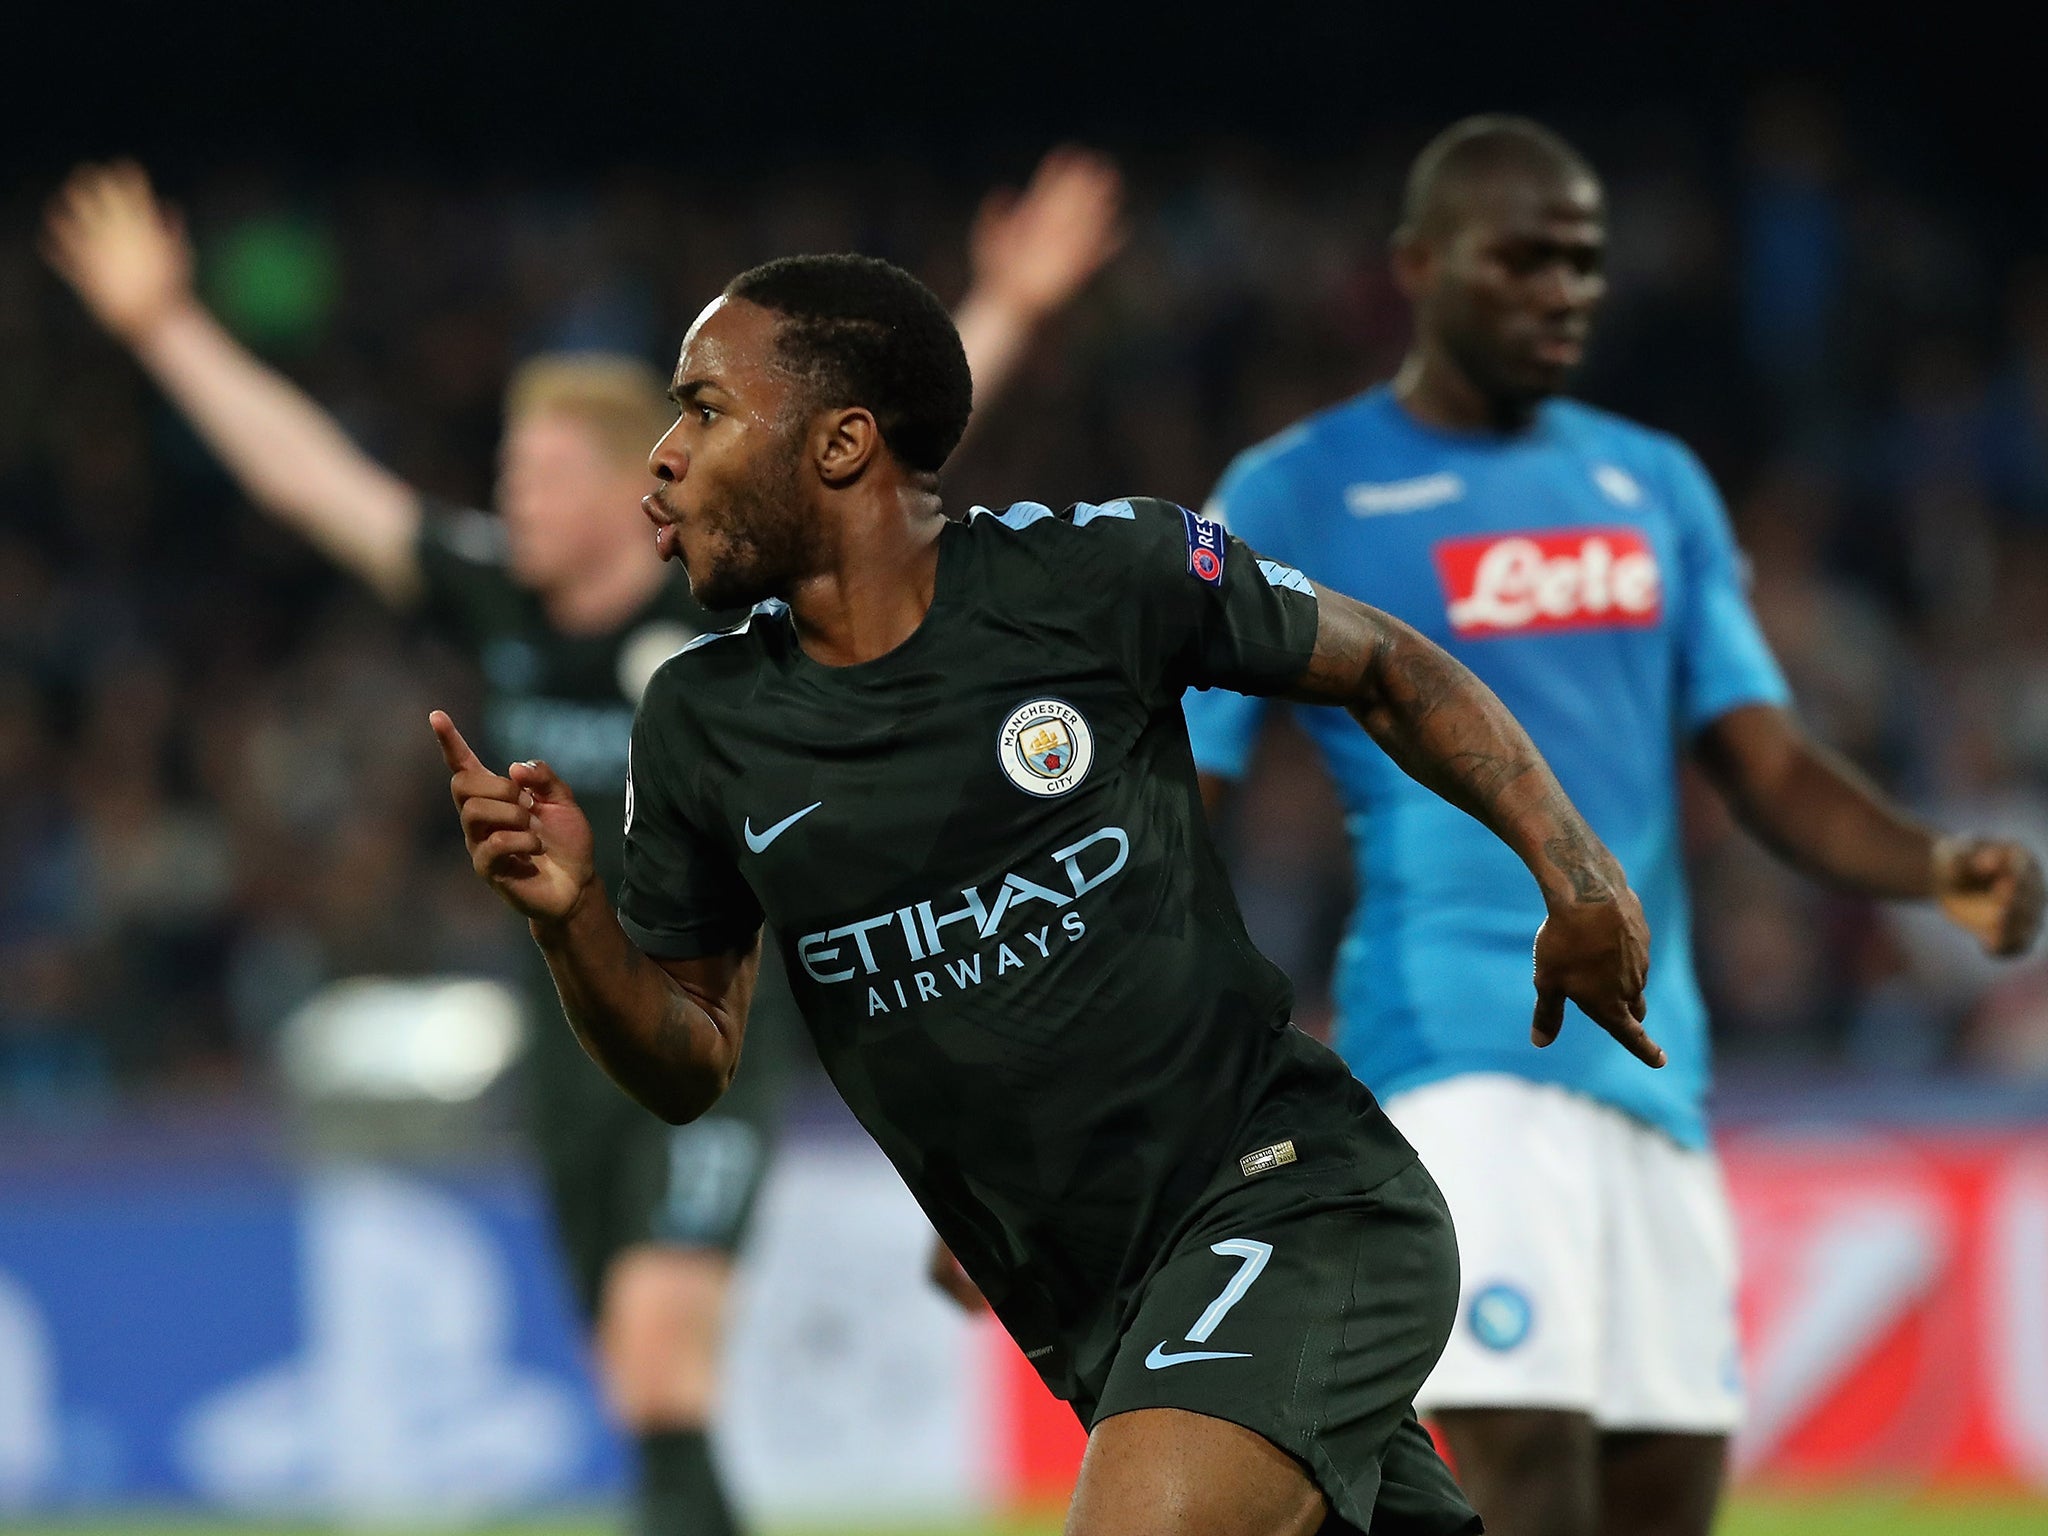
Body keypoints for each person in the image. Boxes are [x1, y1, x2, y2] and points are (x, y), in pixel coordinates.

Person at [429, 251, 1668, 1536]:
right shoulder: (698, 722)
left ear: (842, 444)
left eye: (704, 409)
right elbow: (691, 1061)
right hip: (1096, 1318)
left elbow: (1387, 667)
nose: (664, 457)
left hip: (1291, 1203)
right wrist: (572, 921)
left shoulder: (1091, 581)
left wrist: (1574, 880)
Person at [42, 153, 1123, 1536]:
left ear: (635, 492)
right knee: (634, 1380)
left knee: (662, 1356)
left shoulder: (728, 608)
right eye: (510, 466)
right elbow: (316, 482)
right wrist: (163, 326)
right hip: (567, 1034)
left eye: (543, 472)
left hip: (713, 1021)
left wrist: (1013, 305)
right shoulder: (501, 600)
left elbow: (864, 438)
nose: (516, 494)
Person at [1182, 115, 2047, 1536]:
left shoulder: (1653, 484)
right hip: (1457, 1049)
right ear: (1418, 265)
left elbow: (1762, 758)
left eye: (1583, 262)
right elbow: (1187, 783)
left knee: (1666, 1500)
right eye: (1521, 259)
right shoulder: (1298, 490)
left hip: (1652, 1069)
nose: (1561, 291)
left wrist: (1932, 864)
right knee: (1528, 1483)